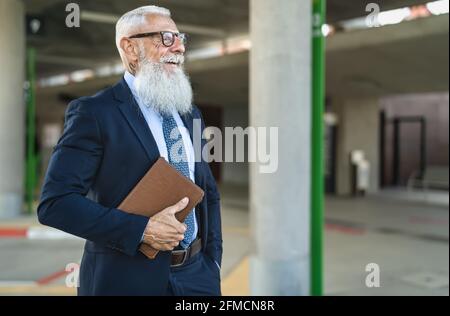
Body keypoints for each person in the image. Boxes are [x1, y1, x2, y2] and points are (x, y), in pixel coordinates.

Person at [37, 5, 222, 296]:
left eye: (180, 37)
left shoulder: (190, 114)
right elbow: (55, 204)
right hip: (125, 281)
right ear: (130, 48)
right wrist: (142, 230)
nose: (180, 47)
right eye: (166, 38)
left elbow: (208, 192)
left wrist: (213, 263)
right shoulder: (94, 113)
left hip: (197, 277)